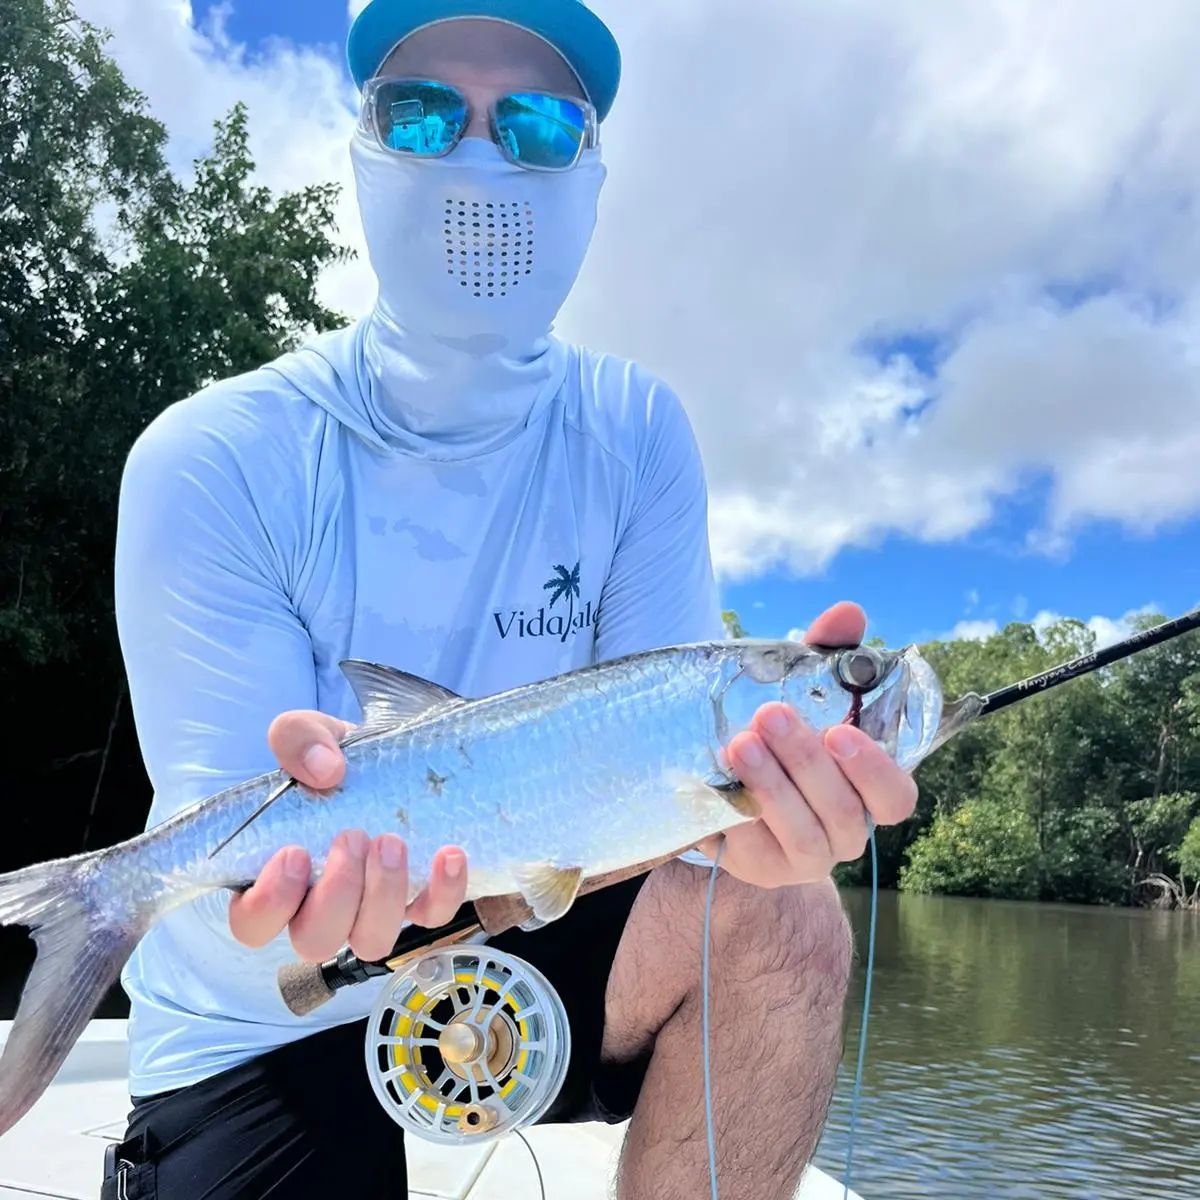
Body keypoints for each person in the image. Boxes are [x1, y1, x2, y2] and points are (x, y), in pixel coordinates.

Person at [107, 2, 918, 1197]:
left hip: (524, 920)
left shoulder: (638, 433)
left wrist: (754, 840)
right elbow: (255, 899)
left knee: (790, 917)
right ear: (364, 149)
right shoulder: (211, 454)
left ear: (591, 176)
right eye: (425, 112)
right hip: (260, 1013)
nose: (479, 157)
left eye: (537, 123)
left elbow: (657, 813)